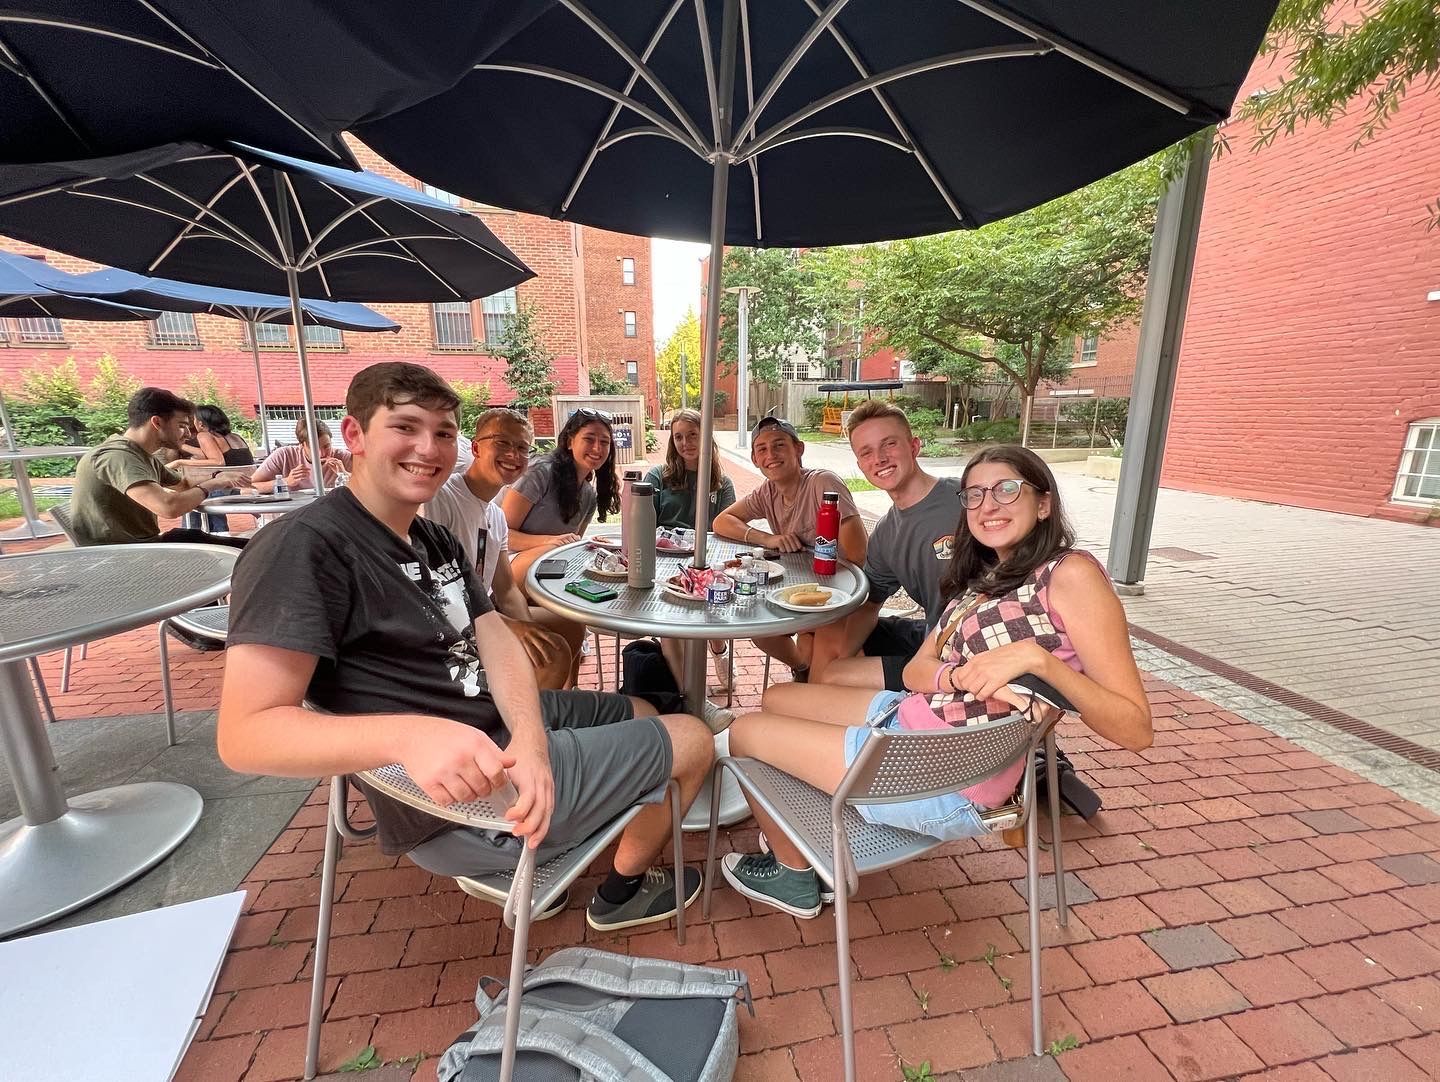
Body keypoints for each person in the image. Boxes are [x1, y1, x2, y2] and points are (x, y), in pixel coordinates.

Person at [219, 362, 712, 929]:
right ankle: (622, 894)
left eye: (444, 433)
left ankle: (606, 802)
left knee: (644, 708)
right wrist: (410, 734)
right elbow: (245, 734)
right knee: (693, 739)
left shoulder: (428, 535)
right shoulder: (305, 547)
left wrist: (529, 737)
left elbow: (494, 635)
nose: (428, 449)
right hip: (464, 805)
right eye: (405, 427)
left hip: (499, 732)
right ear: (354, 435)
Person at [716, 445, 1153, 918]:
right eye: (975, 495)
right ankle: (799, 818)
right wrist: (960, 676)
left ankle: (795, 875)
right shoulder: (985, 578)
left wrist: (1040, 663)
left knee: (744, 732)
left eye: (1007, 490)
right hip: (912, 719)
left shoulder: (1071, 575)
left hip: (940, 776)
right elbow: (915, 671)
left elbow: (1135, 729)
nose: (989, 505)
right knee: (777, 697)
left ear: (1043, 502)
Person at [424, 407, 588, 690]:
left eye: (522, 448)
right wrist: (509, 627)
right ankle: (521, 726)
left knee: (568, 625)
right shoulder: (442, 499)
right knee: (552, 654)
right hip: (449, 628)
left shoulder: (496, 516)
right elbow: (435, 593)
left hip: (486, 616)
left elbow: (507, 590)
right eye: (502, 443)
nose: (513, 455)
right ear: (476, 447)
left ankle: (561, 701)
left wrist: (527, 627)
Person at [807, 399, 964, 687]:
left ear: (914, 446)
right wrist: (843, 654)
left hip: (962, 654)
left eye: (889, 444)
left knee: (833, 676)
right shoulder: (884, 534)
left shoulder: (967, 500)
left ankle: (832, 704)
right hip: (930, 635)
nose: (878, 458)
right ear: (860, 464)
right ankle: (826, 701)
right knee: (831, 629)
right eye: (866, 452)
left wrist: (837, 670)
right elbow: (869, 605)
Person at [712, 415, 866, 681]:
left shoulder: (823, 484)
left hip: (839, 596)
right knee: (761, 631)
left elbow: (858, 556)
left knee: (816, 658)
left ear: (799, 449)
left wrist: (815, 622)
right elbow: (721, 521)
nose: (771, 454)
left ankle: (808, 681)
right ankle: (802, 669)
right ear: (755, 460)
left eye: (779, 444)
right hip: (800, 588)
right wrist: (766, 538)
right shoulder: (768, 492)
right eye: (762, 449)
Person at [644, 407, 737, 725]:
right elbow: (643, 524)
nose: (685, 443)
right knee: (672, 625)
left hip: (706, 565)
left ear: (706, 436)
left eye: (693, 435)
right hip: (665, 567)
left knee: (710, 610)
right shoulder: (659, 476)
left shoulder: (721, 484)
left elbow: (728, 532)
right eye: (679, 437)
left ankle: (718, 647)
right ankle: (695, 701)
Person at [69, 386, 249, 549]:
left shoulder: (139, 454)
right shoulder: (116, 456)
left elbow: (183, 484)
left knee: (249, 546)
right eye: (182, 426)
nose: (188, 434)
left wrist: (220, 476)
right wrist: (212, 485)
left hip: (142, 546)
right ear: (157, 422)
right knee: (241, 552)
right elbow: (168, 507)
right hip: (121, 555)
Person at [502, 408, 619, 585]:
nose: (597, 448)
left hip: (551, 566)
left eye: (605, 442)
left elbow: (570, 546)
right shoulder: (539, 473)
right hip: (507, 567)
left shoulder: (589, 495)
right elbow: (502, 535)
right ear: (570, 442)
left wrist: (590, 543)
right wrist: (550, 542)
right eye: (589, 439)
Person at [180, 404, 256, 533]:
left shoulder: (204, 435)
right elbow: (207, 454)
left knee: (192, 495)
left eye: (193, 420)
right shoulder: (235, 437)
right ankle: (215, 533)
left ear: (200, 423)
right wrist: (180, 446)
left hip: (229, 489)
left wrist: (179, 461)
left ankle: (191, 535)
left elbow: (218, 461)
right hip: (249, 483)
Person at [249, 418, 352, 493]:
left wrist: (345, 475)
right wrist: (285, 482)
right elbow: (248, 487)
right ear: (302, 445)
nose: (322, 453)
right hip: (291, 515)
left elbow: (367, 486)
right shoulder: (284, 455)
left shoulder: (343, 457)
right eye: (315, 448)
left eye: (327, 446)